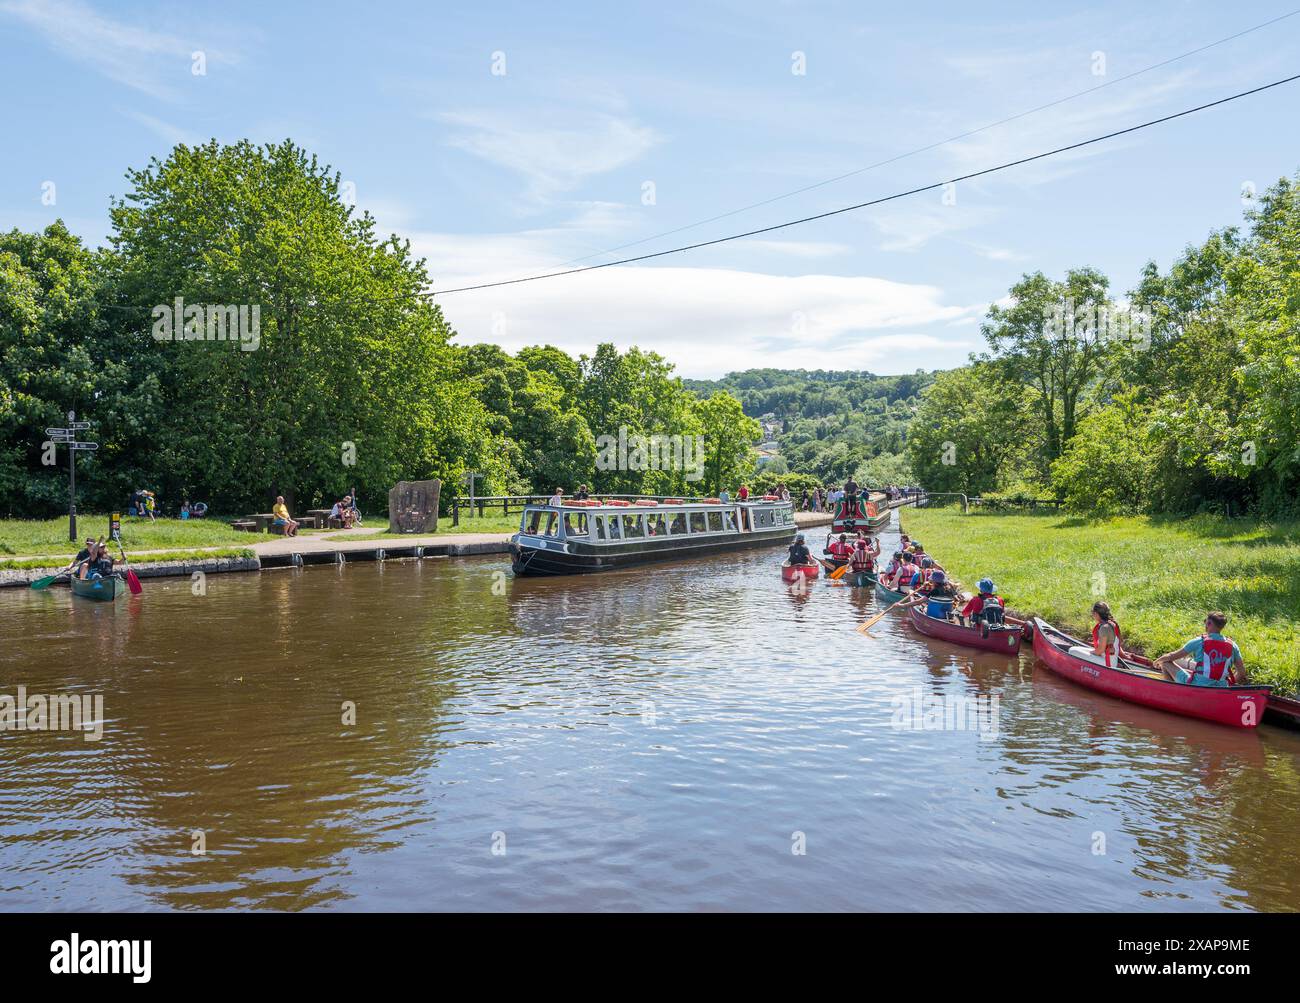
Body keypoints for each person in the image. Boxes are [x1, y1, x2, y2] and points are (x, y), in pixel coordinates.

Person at [1155, 611, 1247, 686]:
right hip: (1221, 688)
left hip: (1197, 685)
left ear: (1209, 623)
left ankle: (1173, 692)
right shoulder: (1233, 645)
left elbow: (1171, 656)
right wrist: (1228, 685)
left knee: (1165, 663)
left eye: (1205, 621)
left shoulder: (1199, 641)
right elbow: (1242, 672)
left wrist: (1157, 661)